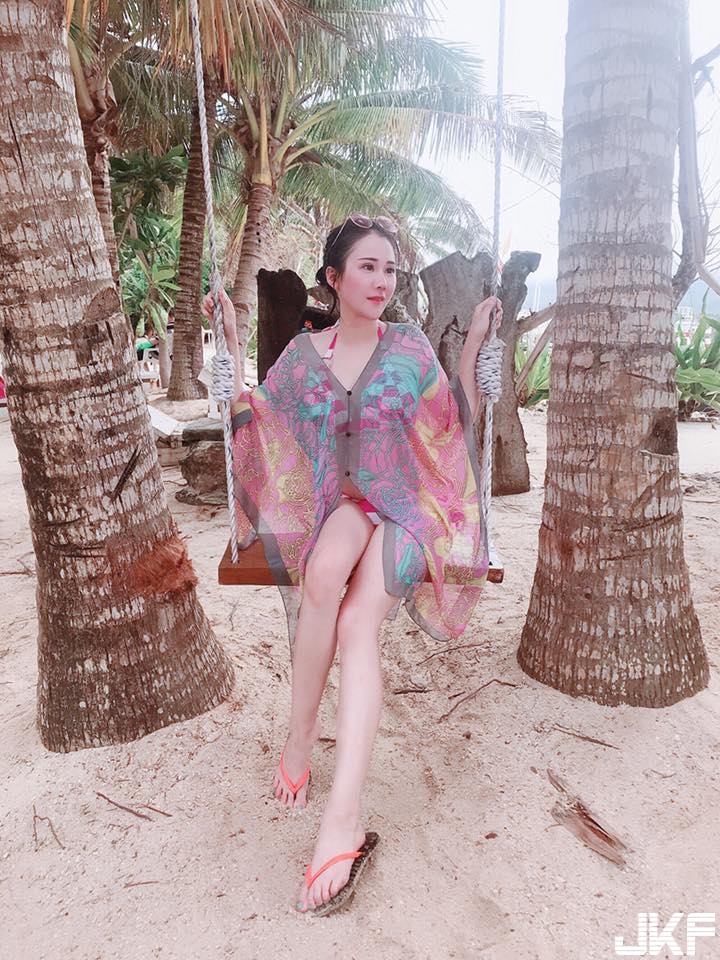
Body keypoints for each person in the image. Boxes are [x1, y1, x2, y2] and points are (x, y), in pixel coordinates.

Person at [203, 213, 502, 917]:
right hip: (346, 506)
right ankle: (301, 734)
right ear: (334, 279)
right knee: (321, 574)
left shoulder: (408, 349)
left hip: (409, 507)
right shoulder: (303, 357)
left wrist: (474, 354)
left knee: (357, 623)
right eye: (368, 267)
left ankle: (342, 820)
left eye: (390, 269)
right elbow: (258, 413)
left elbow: (450, 418)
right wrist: (228, 352)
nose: (382, 280)